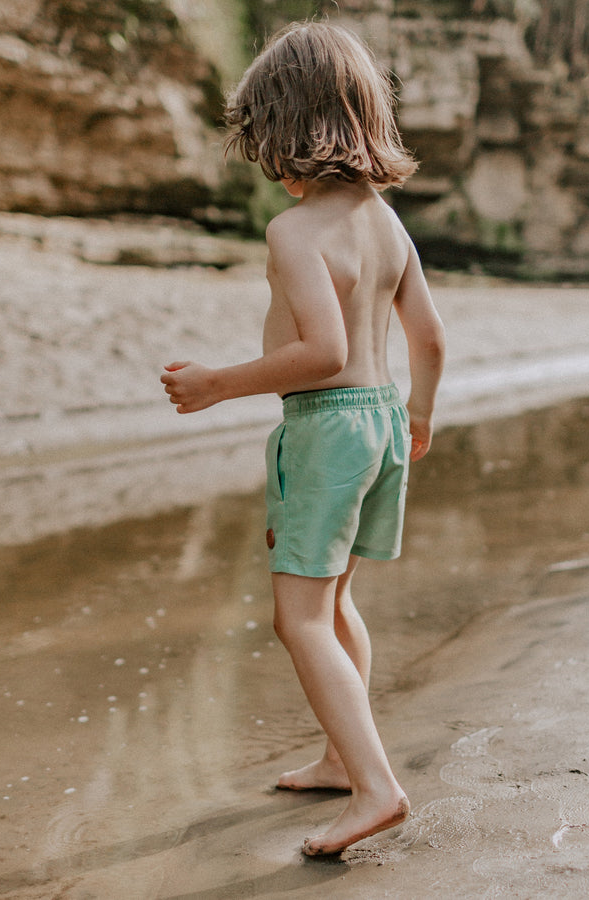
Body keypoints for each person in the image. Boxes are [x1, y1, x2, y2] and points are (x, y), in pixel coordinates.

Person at [160, 21, 445, 856]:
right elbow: (429, 339)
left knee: (300, 620)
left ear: (286, 131)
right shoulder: (388, 226)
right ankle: (338, 755)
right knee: (337, 600)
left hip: (326, 431)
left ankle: (374, 786)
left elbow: (319, 353)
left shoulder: (295, 233)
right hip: (384, 419)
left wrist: (216, 383)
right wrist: (418, 415)